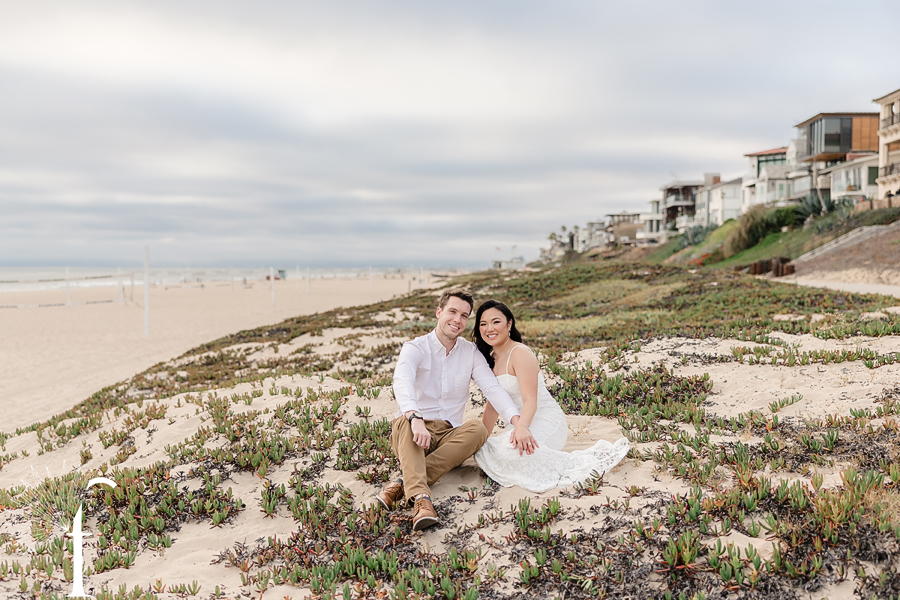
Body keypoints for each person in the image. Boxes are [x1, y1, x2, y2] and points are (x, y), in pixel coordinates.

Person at [377, 289, 537, 530]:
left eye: (464, 315)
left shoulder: (469, 352)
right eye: (452, 312)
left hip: (448, 436)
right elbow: (402, 383)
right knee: (406, 422)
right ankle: (422, 500)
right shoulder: (415, 348)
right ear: (439, 312)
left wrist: (518, 422)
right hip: (412, 431)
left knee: (478, 430)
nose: (457, 320)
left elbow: (493, 389)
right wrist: (415, 418)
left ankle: (401, 483)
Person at [473, 300, 629, 493]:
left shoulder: (519, 353)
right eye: (483, 324)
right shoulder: (491, 359)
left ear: (509, 324)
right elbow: (492, 405)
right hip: (517, 425)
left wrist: (522, 427)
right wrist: (480, 438)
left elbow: (531, 400)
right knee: (484, 450)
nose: (489, 328)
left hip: (543, 419)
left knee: (514, 453)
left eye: (496, 322)